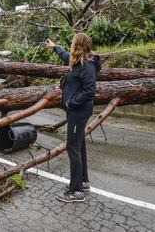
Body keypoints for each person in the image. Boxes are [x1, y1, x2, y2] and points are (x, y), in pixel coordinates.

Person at [46, 34, 101, 203]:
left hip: (78, 111)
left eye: (72, 43)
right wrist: (55, 47)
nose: (70, 46)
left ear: (77, 45)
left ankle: (76, 191)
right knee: (79, 145)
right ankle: (83, 182)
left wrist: (71, 103)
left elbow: (89, 91)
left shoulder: (87, 66)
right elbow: (66, 56)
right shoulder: (77, 61)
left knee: (72, 148)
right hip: (76, 111)